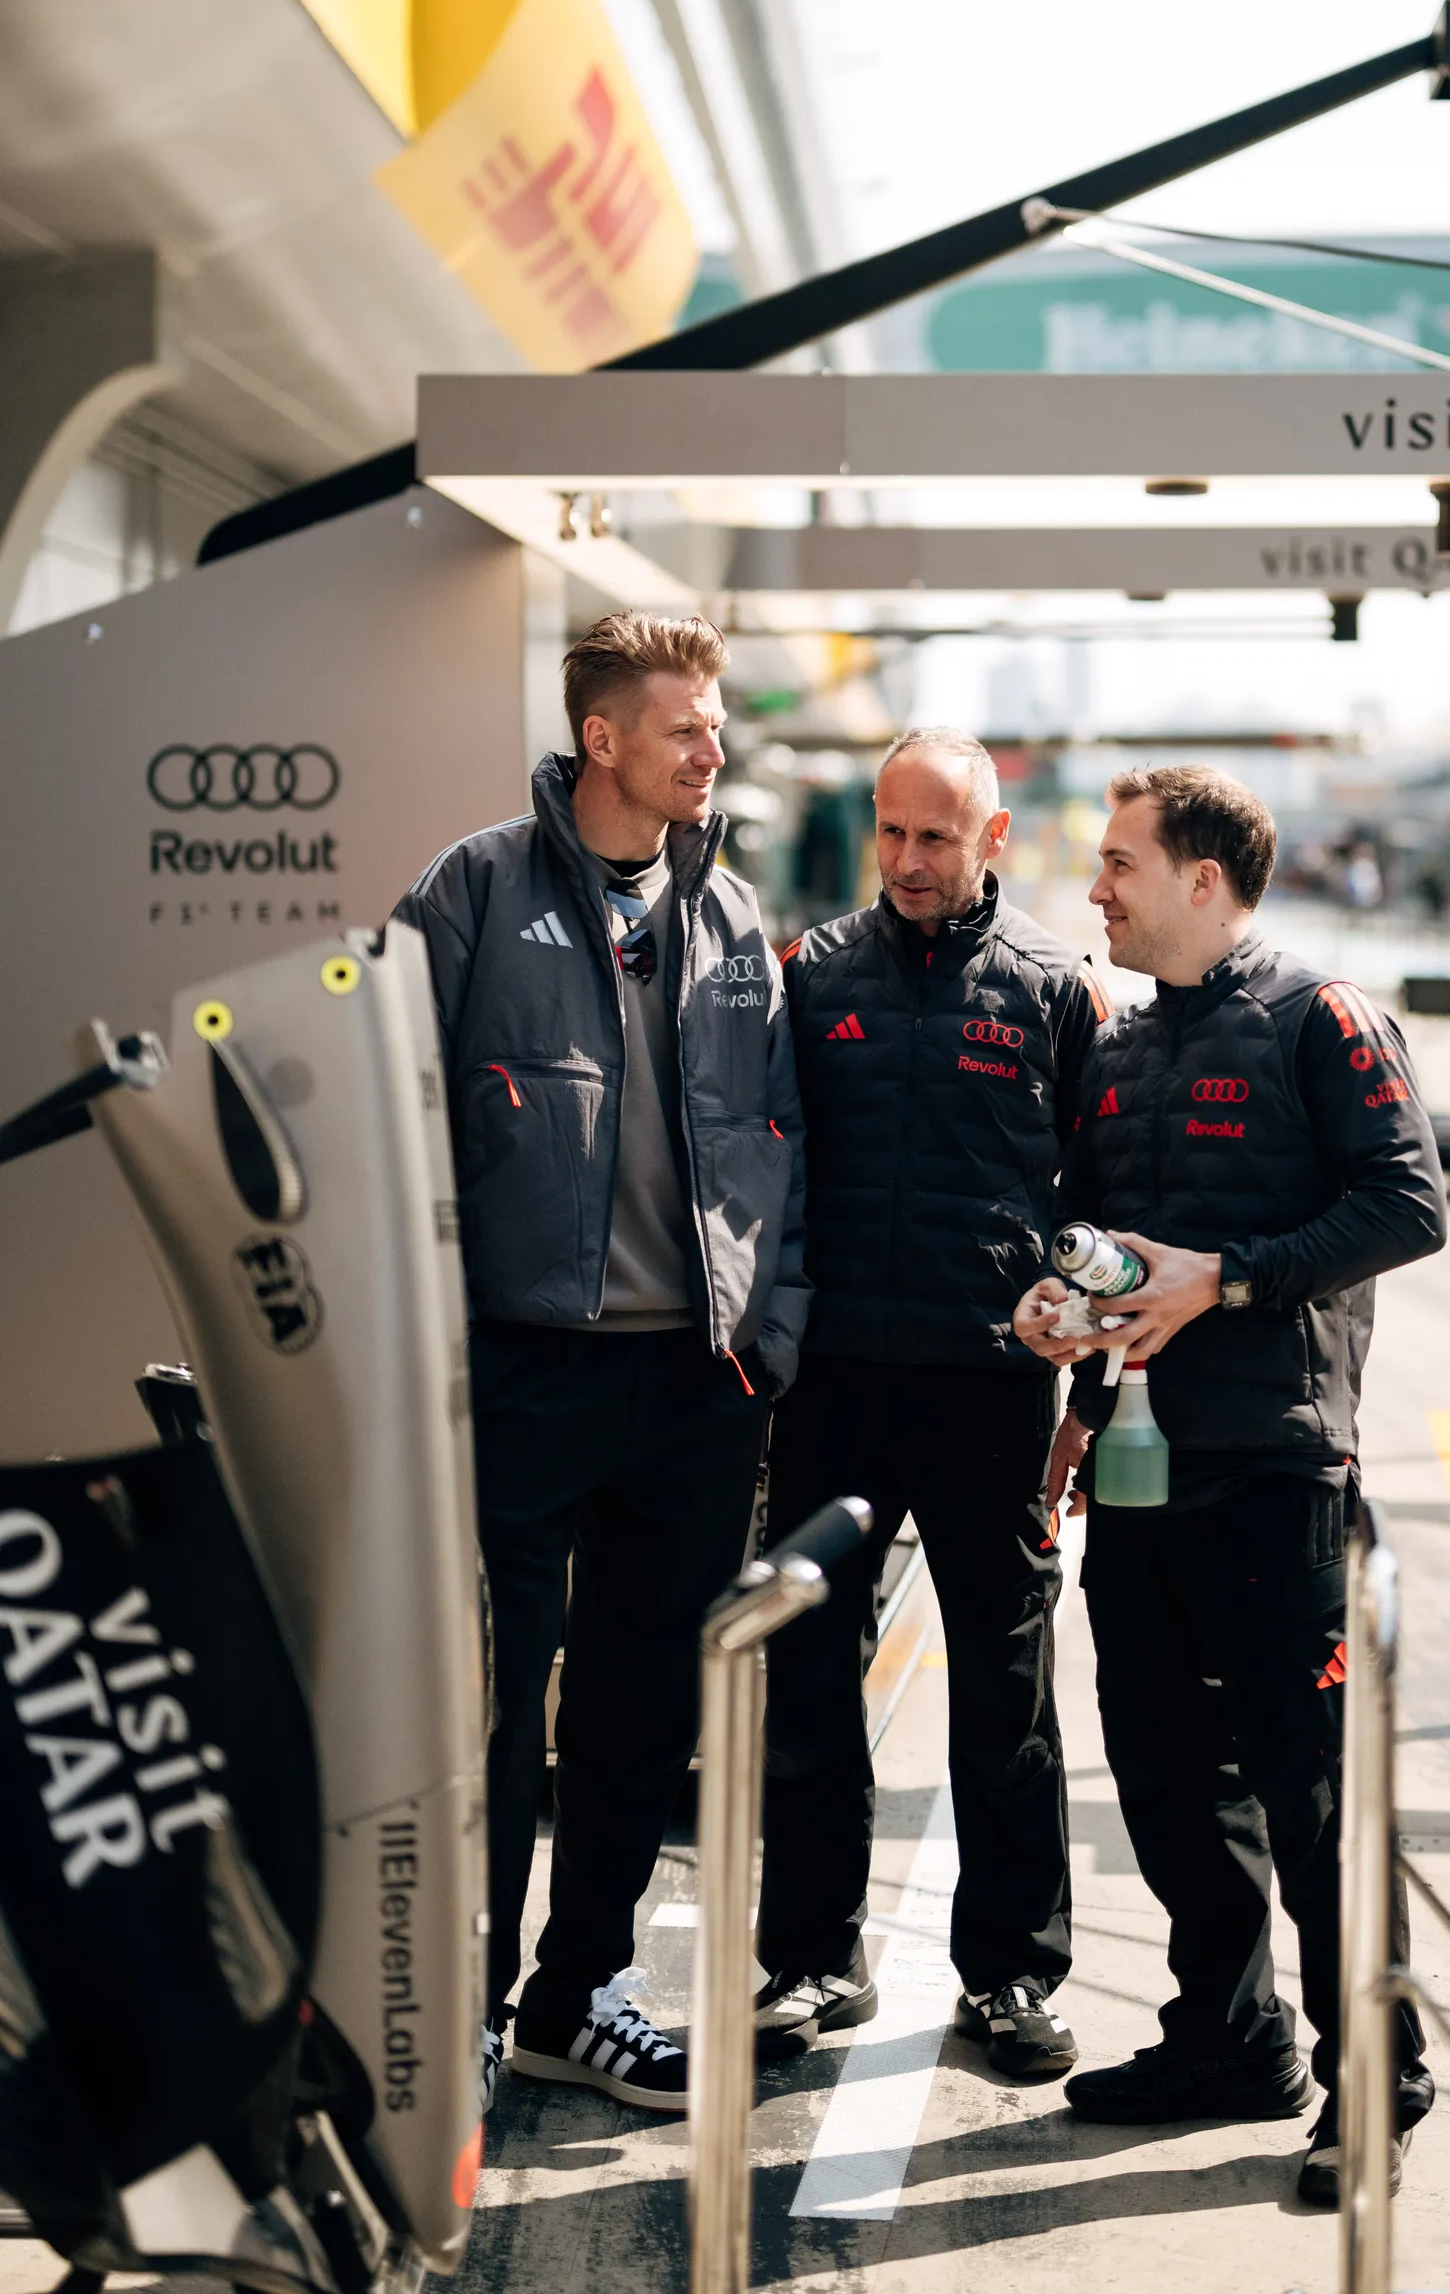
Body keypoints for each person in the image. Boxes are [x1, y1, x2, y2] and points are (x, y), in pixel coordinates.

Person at [392, 611, 807, 2118]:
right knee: (491, 1705)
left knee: (642, 1707)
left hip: (693, 1383)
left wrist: (772, 1331)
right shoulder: (474, 891)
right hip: (520, 1371)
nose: (715, 748)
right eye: (689, 726)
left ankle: (580, 1996)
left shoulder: (729, 916)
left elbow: (779, 1139)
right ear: (607, 740)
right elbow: (398, 1123)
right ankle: (473, 1996)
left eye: (714, 727)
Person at [1013, 765, 1446, 2202]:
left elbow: (1407, 1203)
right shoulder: (1124, 1049)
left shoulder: (1321, 1017)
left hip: (1274, 1467)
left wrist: (1235, 1279)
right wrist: (1068, 1345)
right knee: (1163, 1775)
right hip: (1137, 1469)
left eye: (1122, 864)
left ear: (1206, 878)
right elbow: (1115, 1254)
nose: (1097, 891)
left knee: (1308, 1794)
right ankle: (1230, 2036)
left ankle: (1374, 2077)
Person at [754, 729, 1109, 2081]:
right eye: (893, 835)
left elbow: (1098, 1216)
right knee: (807, 1682)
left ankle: (1011, 1977)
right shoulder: (810, 974)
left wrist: (1089, 1383)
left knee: (1007, 1697)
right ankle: (809, 1962)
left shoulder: (1053, 994)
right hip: (832, 1387)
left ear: (993, 840)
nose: (909, 861)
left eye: (938, 837)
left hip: (992, 1399)